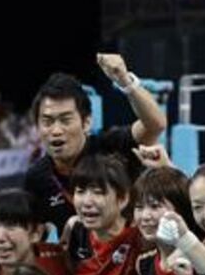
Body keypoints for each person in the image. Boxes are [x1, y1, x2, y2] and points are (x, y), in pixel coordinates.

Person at [23, 55, 167, 234]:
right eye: (47, 121)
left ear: (86, 122)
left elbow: (155, 125)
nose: (56, 130)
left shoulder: (113, 146)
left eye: (65, 120)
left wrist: (125, 81)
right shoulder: (36, 179)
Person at [64, 155, 150, 275]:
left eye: (98, 192)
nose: (87, 201)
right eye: (80, 191)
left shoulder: (141, 238)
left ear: (123, 198)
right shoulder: (75, 234)